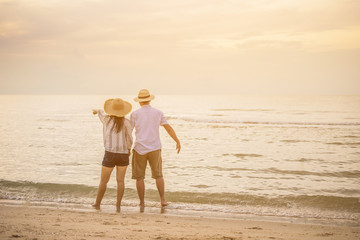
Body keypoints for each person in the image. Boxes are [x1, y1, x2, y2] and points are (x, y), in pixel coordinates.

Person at [130, 89, 181, 212]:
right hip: (155, 148)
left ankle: (142, 203)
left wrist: (126, 147)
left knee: (139, 177)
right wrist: (177, 140)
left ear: (140, 101)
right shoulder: (158, 112)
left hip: (139, 148)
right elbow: (167, 127)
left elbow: (129, 132)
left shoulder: (135, 114)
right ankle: (162, 200)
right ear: (149, 99)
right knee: (158, 175)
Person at [92, 98, 133, 213]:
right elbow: (129, 138)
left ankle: (97, 203)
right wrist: (129, 149)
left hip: (110, 153)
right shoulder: (126, 122)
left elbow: (100, 111)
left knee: (103, 181)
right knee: (120, 181)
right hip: (123, 154)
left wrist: (95, 110)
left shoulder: (107, 119)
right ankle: (118, 205)